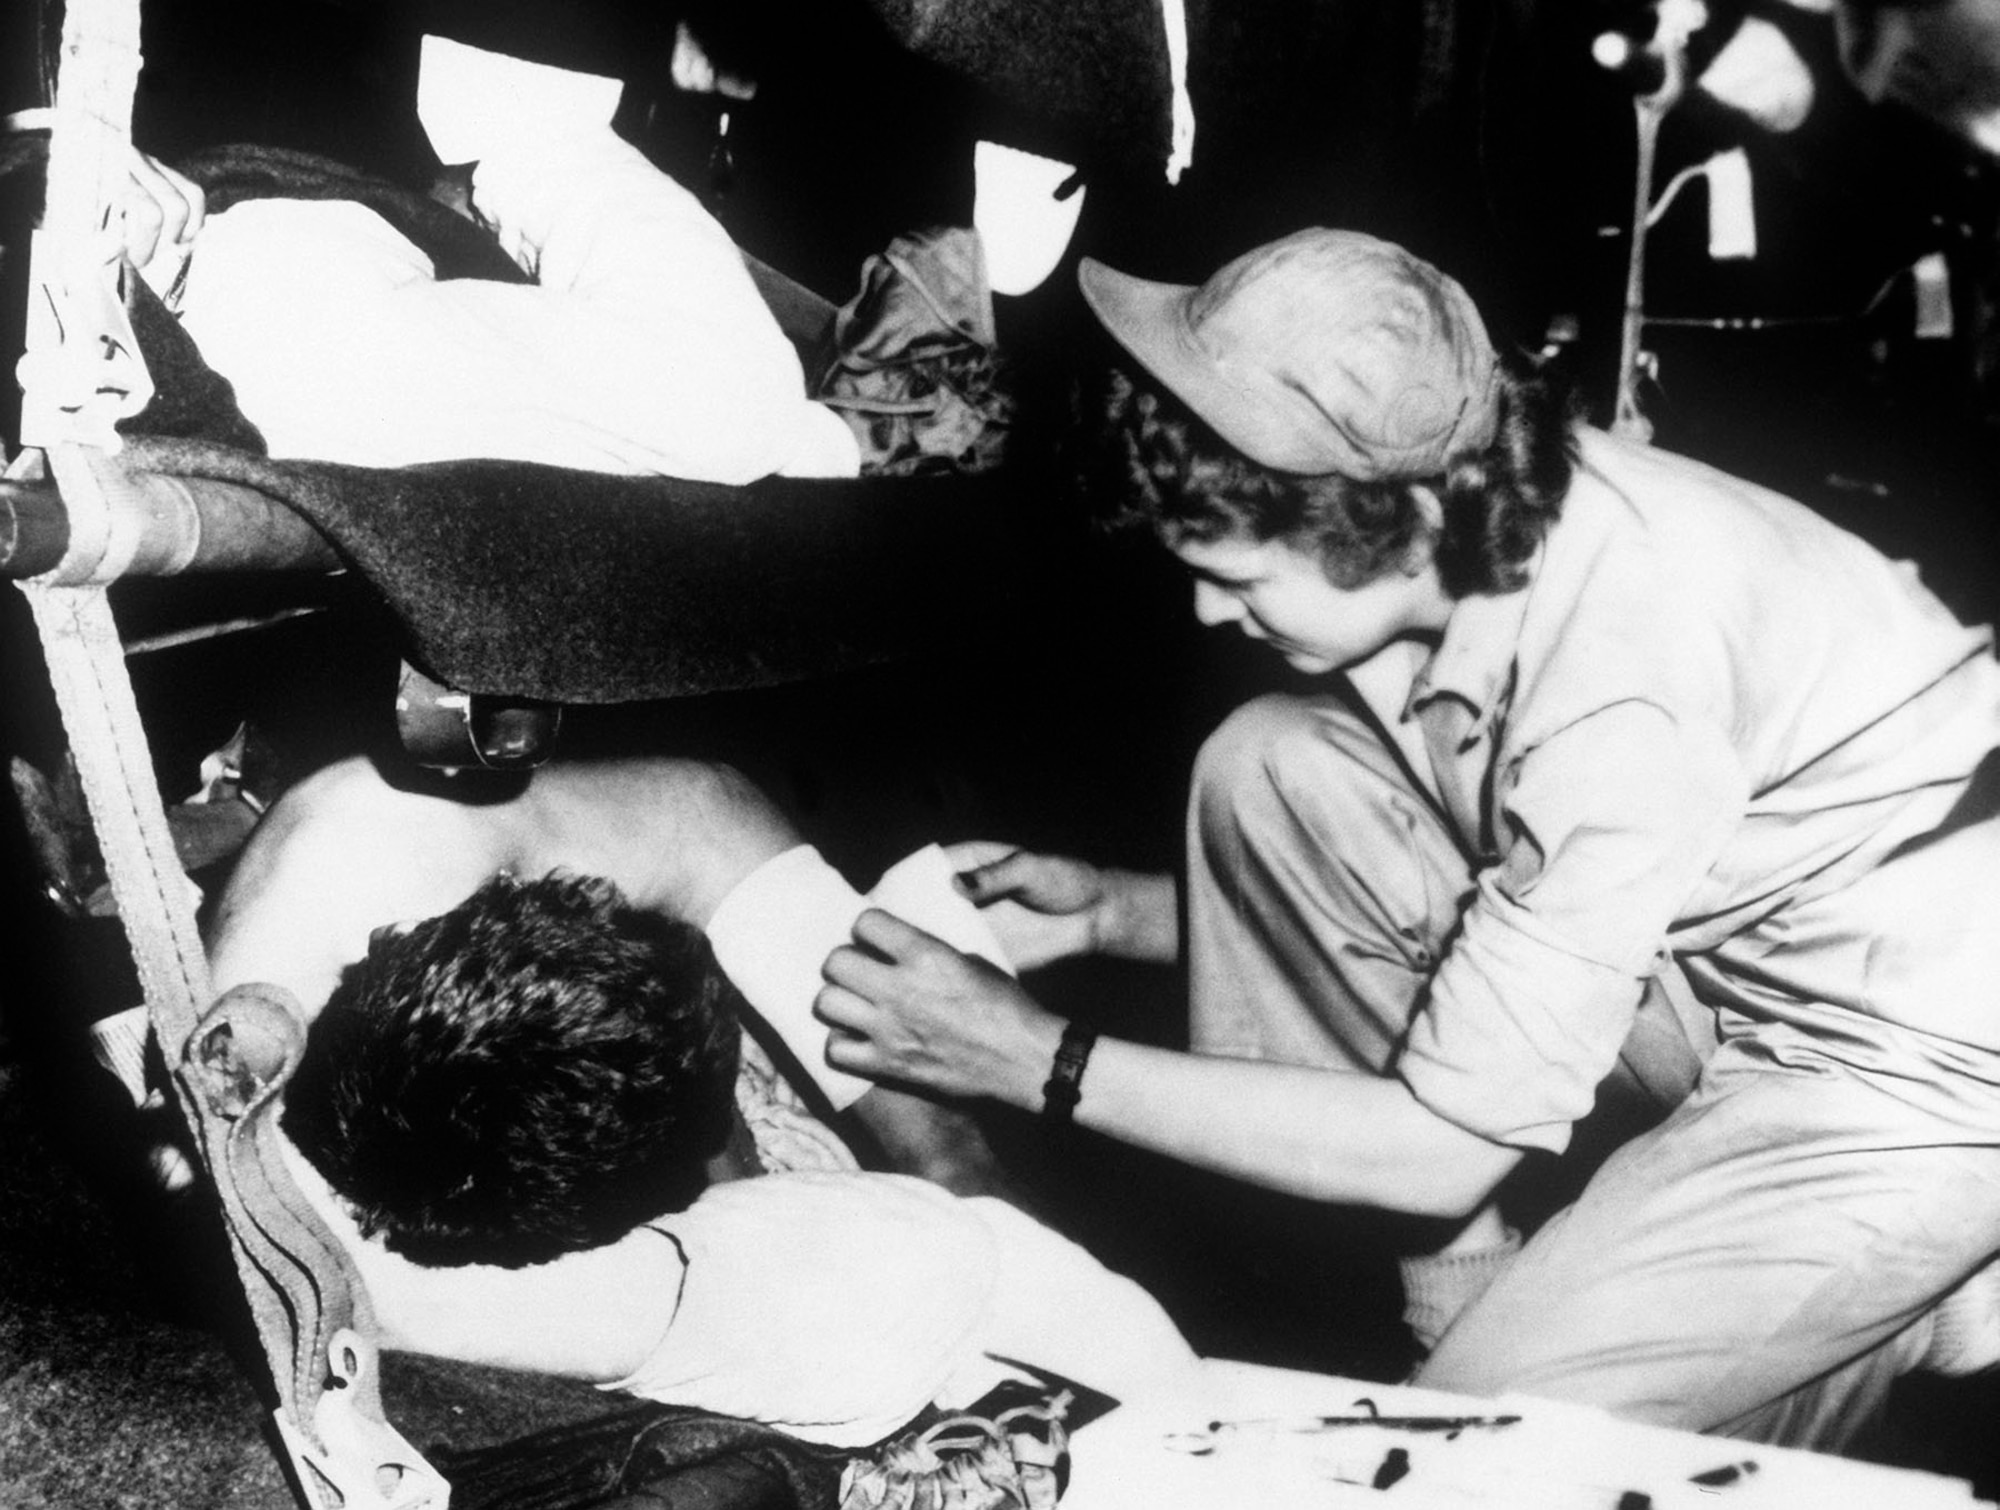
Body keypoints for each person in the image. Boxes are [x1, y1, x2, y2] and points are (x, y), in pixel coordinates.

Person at [813, 226, 2000, 1450]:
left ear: (1409, 516)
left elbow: (1437, 1149)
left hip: (1913, 1059)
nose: (1206, 608)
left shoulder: (1624, 681)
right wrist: (1118, 910)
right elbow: (1530, 881)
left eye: (1242, 577)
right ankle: (1574, 1308)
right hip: (1743, 940)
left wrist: (1035, 1059)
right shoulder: (1494, 513)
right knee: (1268, 762)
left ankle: (1865, 1290)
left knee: (1469, 1460)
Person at [205, 751, 1197, 1446]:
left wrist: (947, 1156)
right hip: (406, 1249)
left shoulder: (404, 839)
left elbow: (705, 812)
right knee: (928, 1275)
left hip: (501, 1076)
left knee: (974, 1234)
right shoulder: (316, 1235)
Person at [111, 34, 861, 483]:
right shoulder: (298, 341)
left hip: (210, 255)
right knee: (743, 406)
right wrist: (523, 157)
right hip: (189, 307)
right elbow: (735, 403)